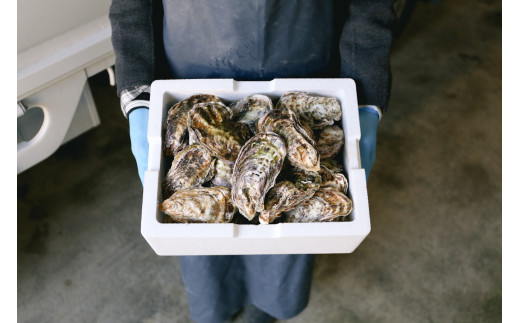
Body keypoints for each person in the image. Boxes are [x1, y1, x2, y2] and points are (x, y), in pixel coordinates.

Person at [109, 1, 395, 322]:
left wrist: (366, 96)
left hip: (304, 67)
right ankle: (216, 307)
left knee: (288, 226)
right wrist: (139, 96)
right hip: (194, 69)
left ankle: (268, 306)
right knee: (200, 230)